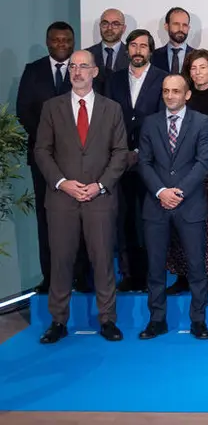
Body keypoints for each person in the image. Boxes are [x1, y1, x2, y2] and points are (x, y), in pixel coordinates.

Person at [34, 50, 128, 344]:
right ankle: (58, 321)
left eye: (83, 66)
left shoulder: (112, 109)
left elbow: (120, 152)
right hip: (62, 199)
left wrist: (100, 185)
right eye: (73, 66)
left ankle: (107, 319)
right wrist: (63, 182)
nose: (77, 71)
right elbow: (41, 151)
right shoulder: (52, 107)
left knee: (102, 260)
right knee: (61, 261)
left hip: (99, 198)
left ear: (95, 72)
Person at [136, 74, 208, 341]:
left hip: (189, 203)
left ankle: (198, 320)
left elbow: (204, 163)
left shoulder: (202, 122)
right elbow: (143, 162)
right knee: (155, 267)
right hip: (156, 204)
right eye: (166, 91)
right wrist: (161, 191)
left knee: (196, 266)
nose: (170, 96)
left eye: (176, 91)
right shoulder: (150, 123)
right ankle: (157, 319)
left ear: (187, 94)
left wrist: (177, 192)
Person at [16, 21, 90, 294]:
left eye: (67, 40)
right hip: (43, 160)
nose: (62, 45)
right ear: (48, 42)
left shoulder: (84, 70)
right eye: (56, 40)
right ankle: (50, 278)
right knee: (46, 219)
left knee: (82, 217)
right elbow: (24, 111)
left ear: (73, 42)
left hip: (81, 158)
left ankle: (82, 277)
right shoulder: (32, 71)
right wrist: (52, 141)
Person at [166, 50, 208, 294]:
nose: (197, 72)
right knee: (180, 225)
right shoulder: (184, 100)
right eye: (193, 68)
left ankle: (204, 277)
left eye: (202, 67)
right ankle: (183, 276)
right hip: (182, 170)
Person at [107, 29, 167, 293]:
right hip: (119, 160)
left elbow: (165, 120)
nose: (138, 50)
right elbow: (107, 116)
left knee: (151, 221)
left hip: (151, 161)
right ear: (127, 49)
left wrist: (143, 152)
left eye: (143, 45)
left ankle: (153, 274)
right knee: (124, 219)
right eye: (133, 45)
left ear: (150, 50)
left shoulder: (163, 79)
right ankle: (130, 274)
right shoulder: (114, 79)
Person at [86, 8, 129, 88]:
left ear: (123, 28)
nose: (109, 28)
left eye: (115, 24)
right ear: (100, 26)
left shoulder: (132, 55)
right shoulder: (86, 54)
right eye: (105, 24)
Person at [151, 7, 195, 74]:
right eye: (176, 24)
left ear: (188, 28)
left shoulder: (198, 56)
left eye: (185, 25)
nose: (181, 29)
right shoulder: (153, 56)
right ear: (166, 26)